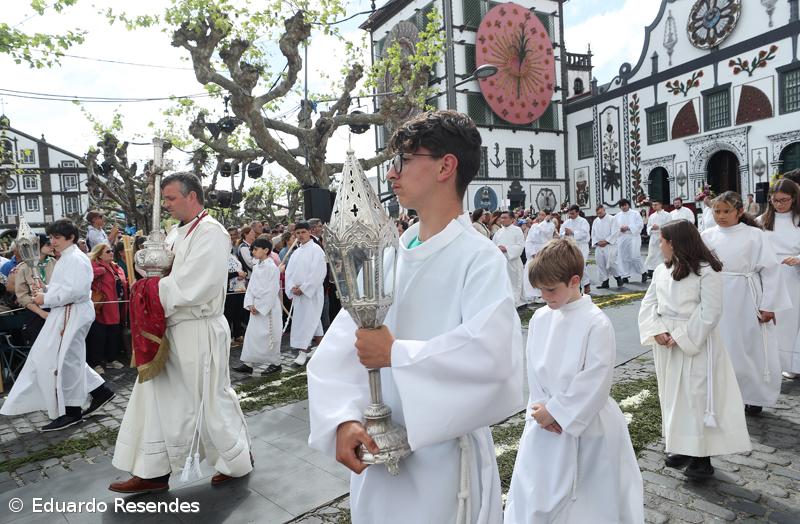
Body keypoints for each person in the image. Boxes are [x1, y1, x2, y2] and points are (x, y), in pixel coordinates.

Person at [308, 110, 523, 524]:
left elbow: (494, 361)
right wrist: (343, 419)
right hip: (377, 451)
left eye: (404, 160)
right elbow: (340, 347)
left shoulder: (478, 258)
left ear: (446, 166)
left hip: (444, 462)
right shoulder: (390, 253)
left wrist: (397, 354)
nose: (392, 174)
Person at [111, 172, 252, 493]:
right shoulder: (174, 234)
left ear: (192, 196)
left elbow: (196, 284)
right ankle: (153, 470)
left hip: (198, 327)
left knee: (208, 399)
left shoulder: (211, 233)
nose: (167, 205)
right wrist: (148, 282)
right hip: (168, 329)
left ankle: (237, 459)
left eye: (172, 198)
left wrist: (149, 292)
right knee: (154, 396)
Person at [505, 239, 642, 523]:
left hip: (587, 424)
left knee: (589, 499)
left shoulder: (596, 322)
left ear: (574, 281)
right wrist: (543, 409)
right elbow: (534, 369)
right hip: (543, 420)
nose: (544, 296)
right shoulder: (541, 318)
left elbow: (595, 379)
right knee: (536, 491)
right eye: (540, 290)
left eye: (551, 289)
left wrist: (559, 412)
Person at [639, 220, 751, 480]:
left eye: (662, 240)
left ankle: (702, 456)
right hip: (665, 341)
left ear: (675, 242)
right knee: (672, 395)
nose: (659, 245)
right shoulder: (661, 270)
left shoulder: (706, 271)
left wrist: (681, 336)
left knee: (696, 396)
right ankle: (682, 444)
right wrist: (656, 329)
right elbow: (649, 303)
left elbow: (711, 310)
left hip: (695, 341)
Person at [0, 219, 115, 431]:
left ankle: (72, 411)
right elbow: (64, 287)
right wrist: (46, 289)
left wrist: (47, 298)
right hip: (66, 311)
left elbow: (76, 291)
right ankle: (100, 391)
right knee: (64, 358)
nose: (52, 241)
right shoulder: (66, 258)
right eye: (51, 237)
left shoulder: (76, 259)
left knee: (66, 361)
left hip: (73, 311)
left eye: (57, 237)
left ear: (70, 237)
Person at [701, 191, 791, 415]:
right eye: (716, 211)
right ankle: (722, 395)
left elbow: (770, 271)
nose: (721, 216)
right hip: (717, 296)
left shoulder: (755, 235)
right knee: (720, 347)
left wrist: (768, 305)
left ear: (740, 211)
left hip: (746, 296)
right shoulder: (707, 236)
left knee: (748, 347)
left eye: (726, 211)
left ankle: (753, 395)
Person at [757, 179, 800, 378]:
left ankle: (794, 362)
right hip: (768, 277)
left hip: (793, 277)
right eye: (775, 200)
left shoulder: (798, 220)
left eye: (784, 200)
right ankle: (776, 363)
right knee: (774, 321)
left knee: (792, 321)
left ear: (795, 199)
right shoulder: (761, 221)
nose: (780, 204)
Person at [236, 238, 282, 376]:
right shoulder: (256, 267)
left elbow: (272, 290)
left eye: (256, 249)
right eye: (253, 249)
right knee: (252, 335)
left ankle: (276, 363)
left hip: (268, 309)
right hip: (255, 307)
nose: (253, 252)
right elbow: (251, 287)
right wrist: (250, 304)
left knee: (270, 335)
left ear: (266, 250)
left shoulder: (272, 267)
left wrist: (260, 306)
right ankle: (249, 363)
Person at [285, 221, 326, 367]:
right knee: (310, 321)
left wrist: (304, 288)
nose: (300, 235)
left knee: (310, 320)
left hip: (311, 293)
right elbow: (289, 273)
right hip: (298, 295)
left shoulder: (317, 250)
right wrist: (291, 287)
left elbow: (318, 272)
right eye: (298, 233)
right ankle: (322, 349)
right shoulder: (296, 252)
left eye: (303, 232)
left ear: (309, 232)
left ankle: (303, 352)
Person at [87, 242, 128, 374]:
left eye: (111, 251)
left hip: (115, 305)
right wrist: (100, 270)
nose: (111, 253)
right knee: (98, 336)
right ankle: (96, 363)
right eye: (108, 251)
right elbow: (86, 275)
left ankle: (111, 359)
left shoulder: (114, 266)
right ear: (99, 255)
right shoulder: (94, 265)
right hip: (101, 306)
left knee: (113, 333)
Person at [14, 235, 56, 346]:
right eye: (48, 244)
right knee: (39, 346)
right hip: (36, 313)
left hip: (56, 309)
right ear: (38, 246)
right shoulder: (24, 267)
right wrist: (41, 313)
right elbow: (22, 296)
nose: (52, 245)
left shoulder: (54, 262)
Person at [493, 210, 526, 307]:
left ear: (512, 219)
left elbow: (520, 246)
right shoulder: (498, 232)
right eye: (501, 218)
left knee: (515, 282)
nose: (502, 220)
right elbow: (493, 245)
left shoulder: (517, 230)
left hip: (513, 261)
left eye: (505, 218)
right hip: (502, 262)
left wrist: (507, 248)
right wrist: (497, 249)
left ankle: (516, 301)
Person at [523, 210, 555, 303]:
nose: (540, 216)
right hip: (533, 252)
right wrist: (532, 252)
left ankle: (542, 294)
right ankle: (531, 294)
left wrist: (546, 221)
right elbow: (529, 240)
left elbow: (546, 233)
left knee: (543, 273)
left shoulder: (550, 225)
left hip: (544, 250)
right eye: (539, 214)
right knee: (530, 272)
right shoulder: (534, 226)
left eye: (542, 215)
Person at [560, 204, 591, 295]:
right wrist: (564, 233)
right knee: (573, 268)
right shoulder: (566, 222)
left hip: (581, 247)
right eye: (570, 214)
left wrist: (573, 232)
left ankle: (586, 283)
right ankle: (578, 286)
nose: (571, 215)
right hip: (570, 247)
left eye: (573, 213)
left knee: (581, 266)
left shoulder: (583, 221)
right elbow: (560, 233)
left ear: (577, 212)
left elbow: (584, 234)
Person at [613, 199, 646, 284]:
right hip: (622, 237)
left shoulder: (635, 214)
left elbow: (640, 225)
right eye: (621, 206)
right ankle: (625, 275)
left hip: (633, 236)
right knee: (623, 257)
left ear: (628, 205)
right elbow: (614, 227)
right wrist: (620, 229)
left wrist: (628, 227)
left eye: (625, 205)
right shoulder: (617, 216)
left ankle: (643, 272)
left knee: (635, 256)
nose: (624, 207)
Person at [591, 205, 621, 288]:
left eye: (600, 212)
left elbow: (615, 232)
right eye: (597, 213)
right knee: (600, 263)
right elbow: (593, 233)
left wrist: (606, 241)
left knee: (611, 263)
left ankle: (618, 278)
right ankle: (605, 281)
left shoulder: (612, 219)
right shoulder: (596, 221)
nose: (599, 215)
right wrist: (597, 242)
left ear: (604, 210)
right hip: (599, 246)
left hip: (610, 245)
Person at [644, 201, 671, 277]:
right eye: (653, 205)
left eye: (656, 205)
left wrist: (659, 227)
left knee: (661, 254)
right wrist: (651, 228)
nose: (654, 206)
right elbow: (648, 226)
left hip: (662, 236)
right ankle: (651, 270)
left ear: (660, 205)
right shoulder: (652, 216)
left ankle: (662, 270)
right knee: (652, 254)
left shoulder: (667, 215)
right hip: (653, 237)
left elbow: (669, 225)